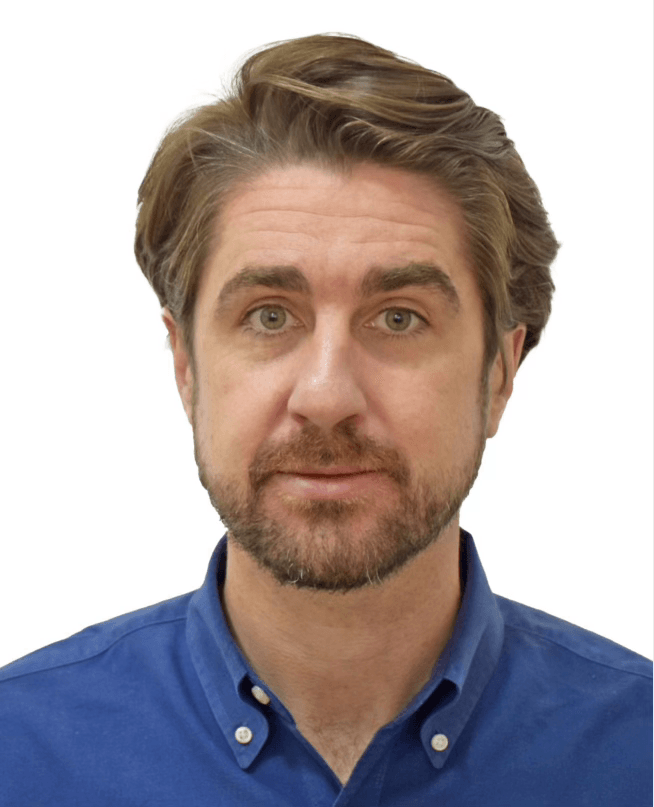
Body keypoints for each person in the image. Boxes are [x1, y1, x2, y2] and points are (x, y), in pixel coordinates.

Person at [1, 33, 651, 806]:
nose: (326, 393)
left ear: (499, 374)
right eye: (270, 315)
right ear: (186, 366)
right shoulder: (21, 749)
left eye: (399, 318)